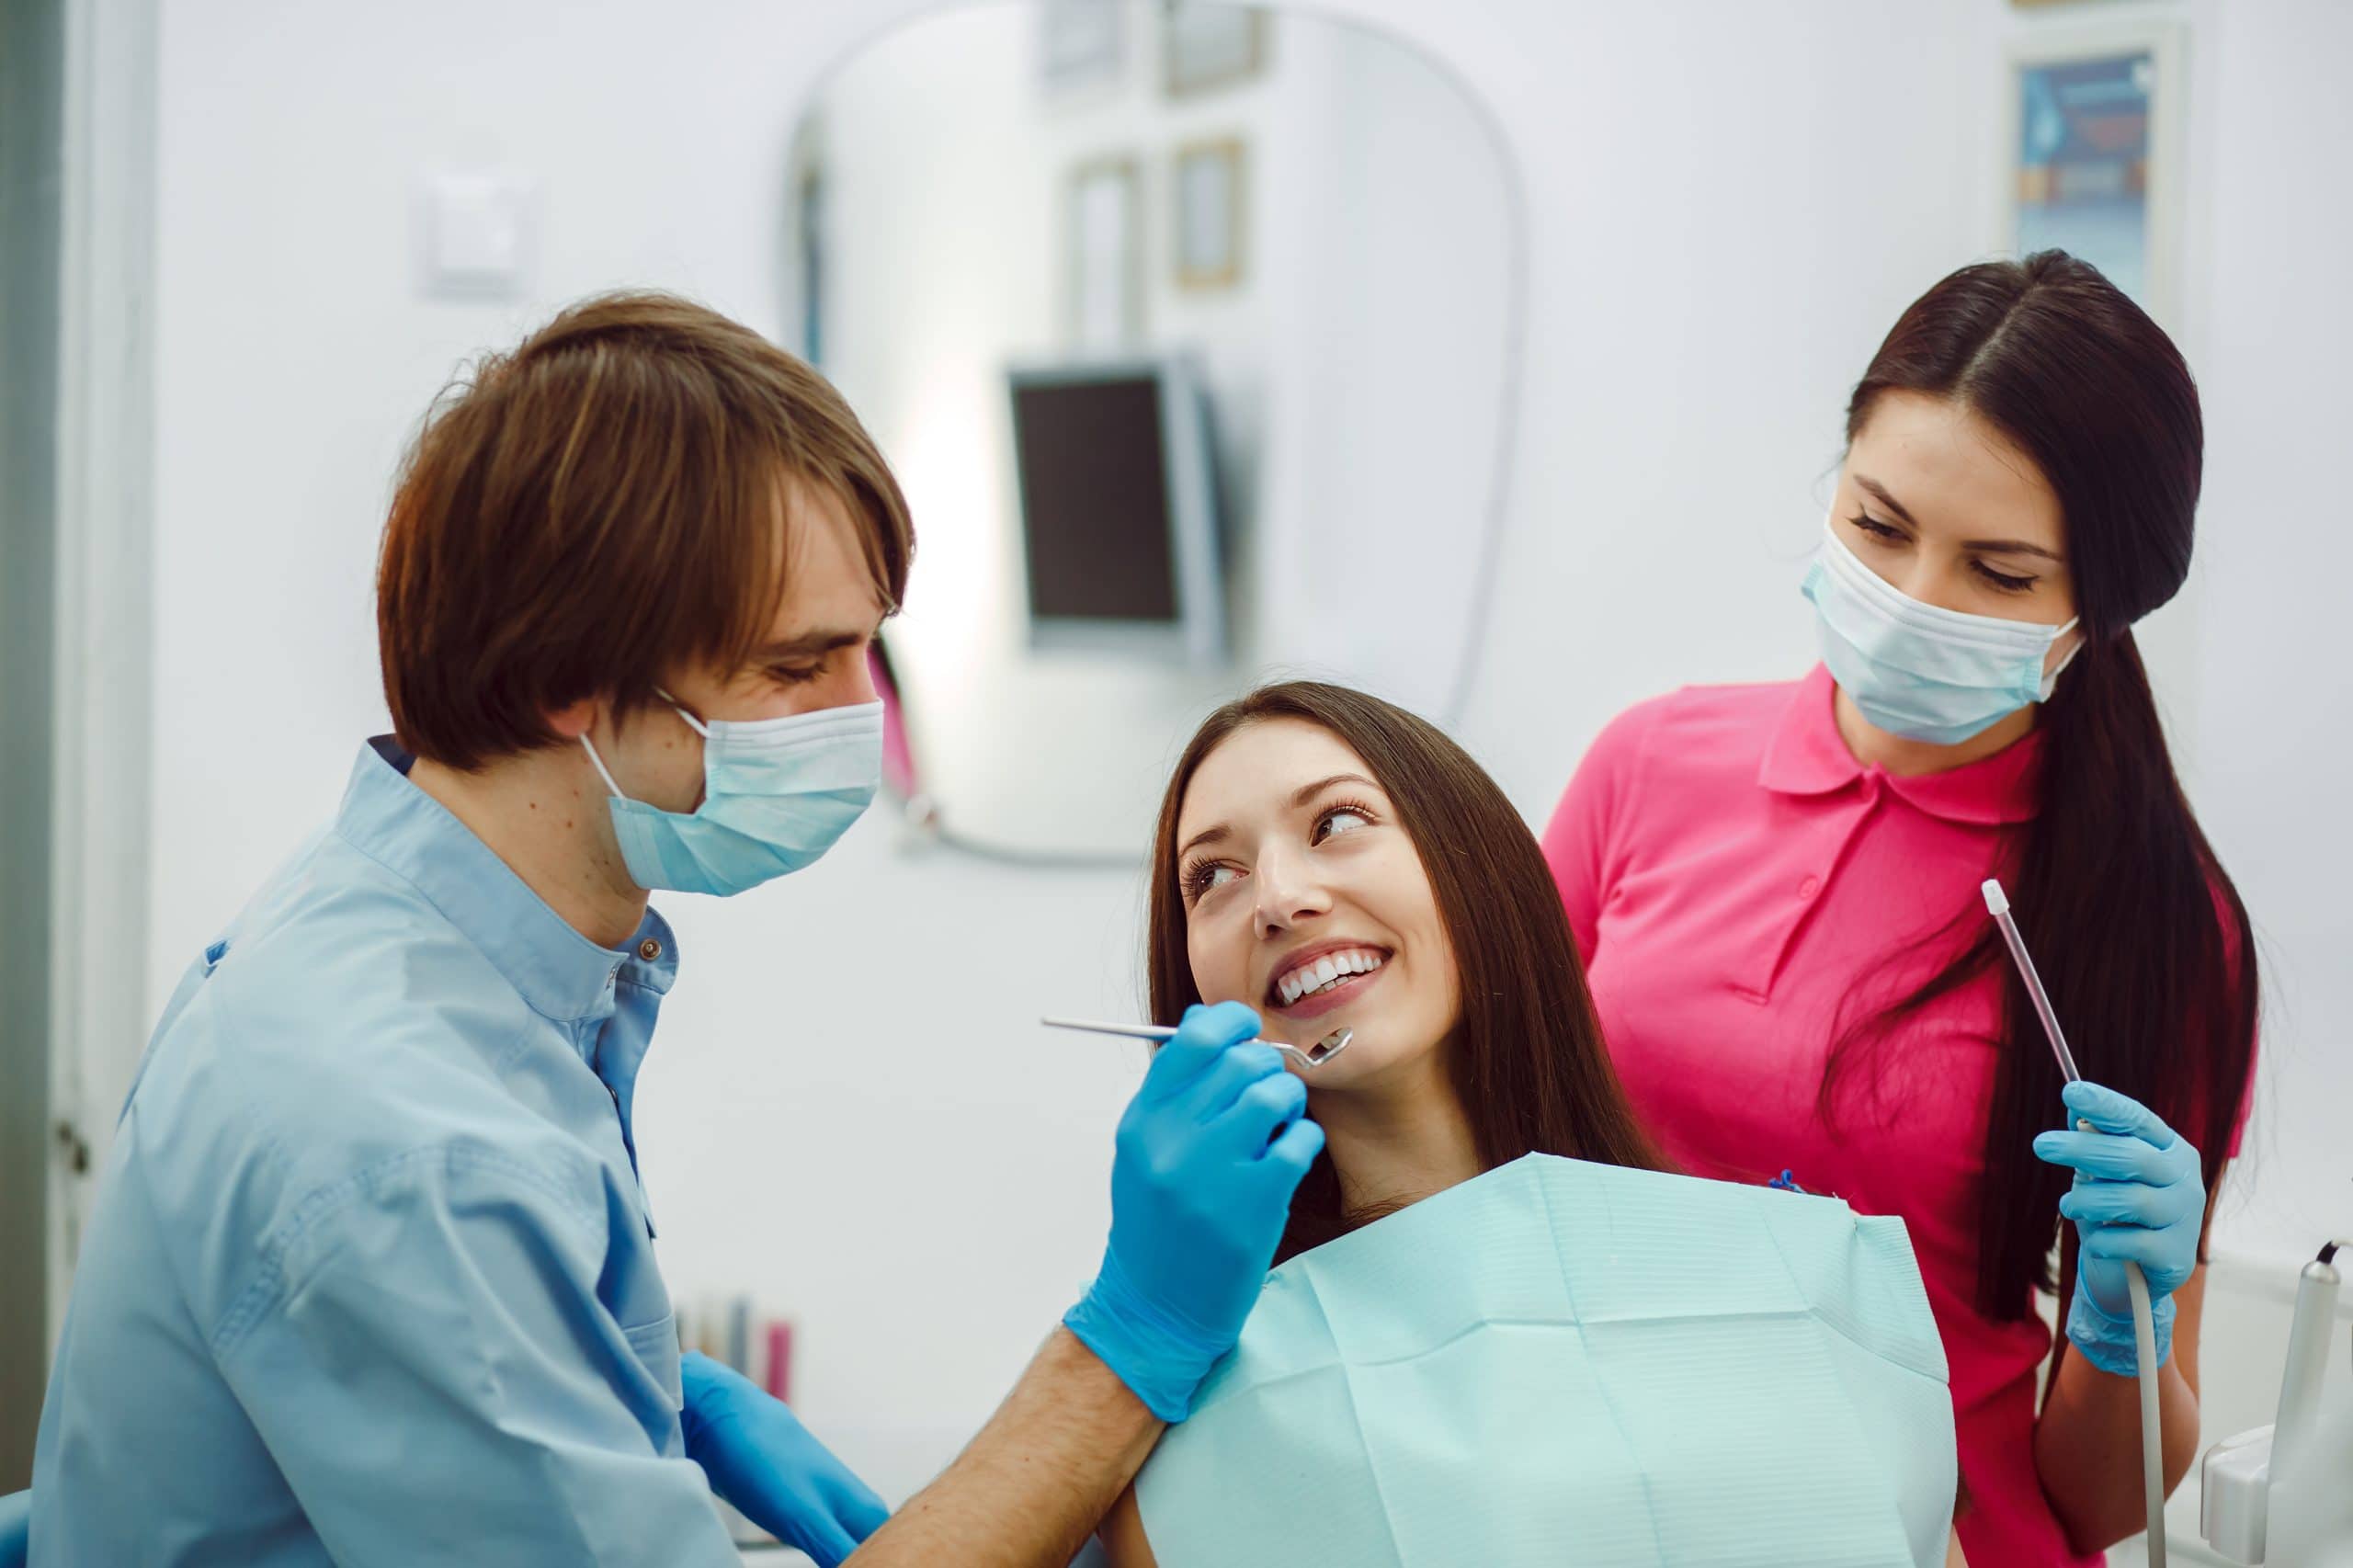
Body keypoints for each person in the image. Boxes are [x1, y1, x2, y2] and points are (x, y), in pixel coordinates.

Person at [27, 292, 1320, 1567]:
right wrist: (1127, 1340)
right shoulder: (412, 1144)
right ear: (556, 683)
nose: (856, 718)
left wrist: (643, 1379)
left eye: (869, 651)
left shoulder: (405, 928)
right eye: (794, 666)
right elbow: (418, 1209)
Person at [1541, 252, 2257, 1564]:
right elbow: (1474, 1135)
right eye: (1878, 526)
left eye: (1997, 570)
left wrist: (2120, 1327)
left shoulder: (2153, 923)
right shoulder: (1644, 767)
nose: (1917, 599)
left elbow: (2103, 1500)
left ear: (2102, 609)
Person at [1097, 681, 1967, 1568]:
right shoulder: (1178, 1406)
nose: (1277, 899)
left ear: (1474, 863)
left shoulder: (1801, 1277)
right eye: (1212, 876)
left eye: (1334, 823)